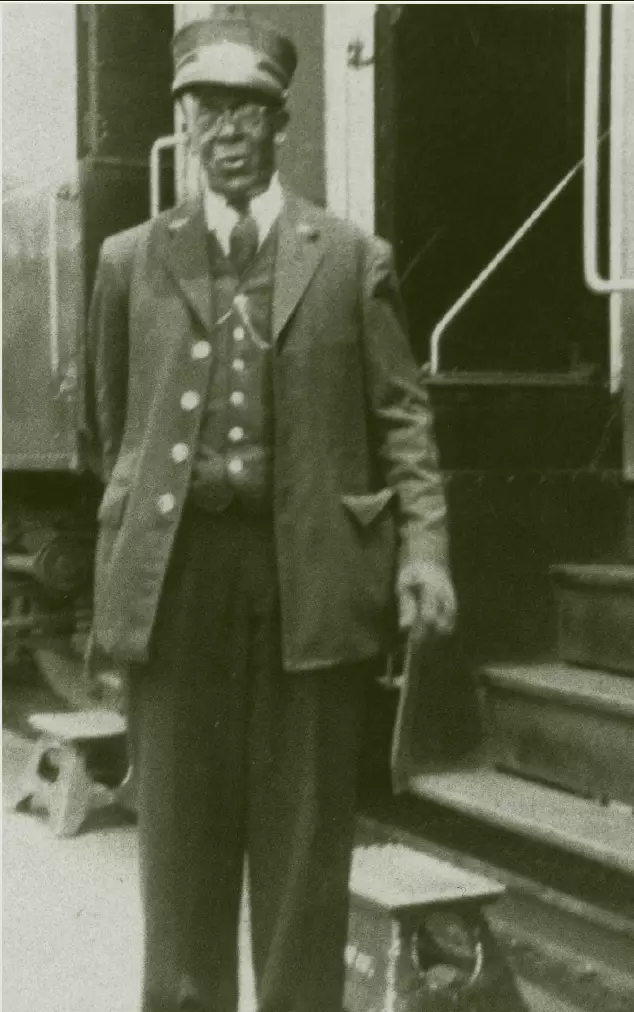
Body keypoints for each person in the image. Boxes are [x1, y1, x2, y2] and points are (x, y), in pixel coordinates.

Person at [83, 12, 456, 1012]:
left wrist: (424, 550)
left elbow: (403, 420)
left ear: (282, 124)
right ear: (184, 123)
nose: (228, 130)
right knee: (180, 858)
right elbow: (111, 427)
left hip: (311, 586)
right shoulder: (128, 262)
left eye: (248, 110)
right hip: (178, 587)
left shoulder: (348, 257)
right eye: (207, 108)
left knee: (303, 862)